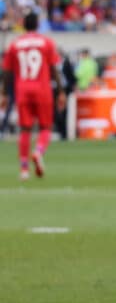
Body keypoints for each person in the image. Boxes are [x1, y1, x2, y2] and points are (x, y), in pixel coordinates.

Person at [0, 12, 65, 179]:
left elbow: (7, 72)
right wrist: (60, 91)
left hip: (22, 89)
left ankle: (23, 170)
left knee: (25, 129)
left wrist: (4, 93)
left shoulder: (15, 44)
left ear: (23, 25)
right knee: (45, 127)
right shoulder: (46, 43)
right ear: (37, 25)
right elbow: (54, 69)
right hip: (42, 89)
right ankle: (38, 151)